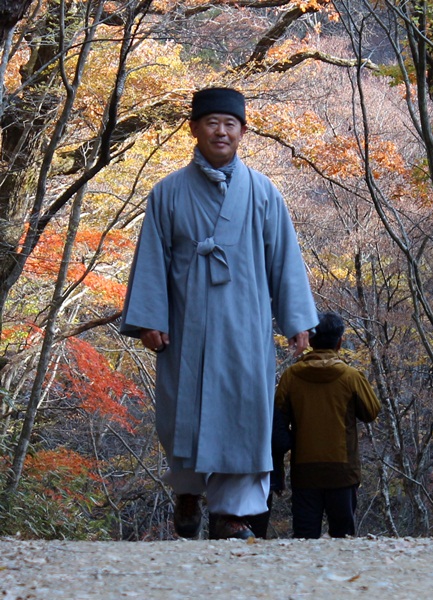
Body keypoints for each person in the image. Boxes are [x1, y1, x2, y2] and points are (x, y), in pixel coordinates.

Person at [120, 87, 318, 540]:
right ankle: (188, 492)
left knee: (245, 416)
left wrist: (297, 320)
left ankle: (233, 513)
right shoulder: (167, 192)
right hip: (186, 324)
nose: (221, 131)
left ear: (243, 131)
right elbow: (151, 259)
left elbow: (284, 258)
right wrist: (152, 318)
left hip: (244, 327)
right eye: (212, 122)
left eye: (230, 124)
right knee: (181, 412)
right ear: (194, 128)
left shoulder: (264, 193)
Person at [275, 311, 381, 539]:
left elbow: (277, 425)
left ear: (310, 340)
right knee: (343, 538)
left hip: (304, 472)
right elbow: (371, 412)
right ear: (340, 341)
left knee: (304, 538)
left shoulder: (291, 377)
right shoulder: (351, 377)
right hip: (343, 472)